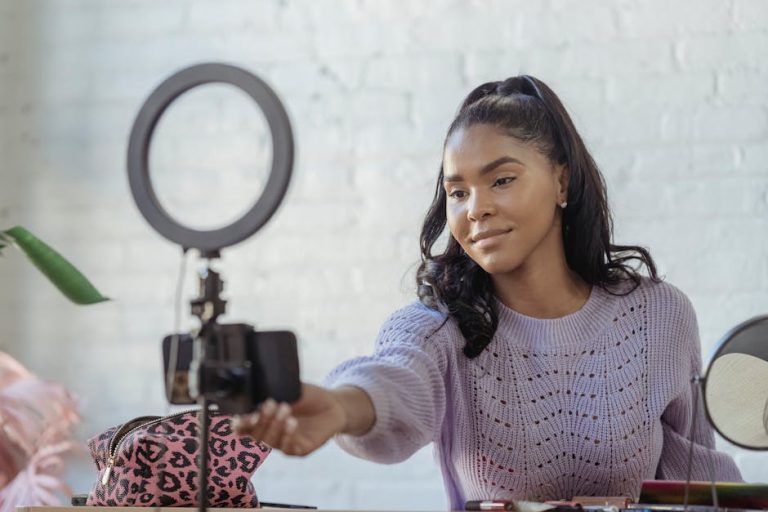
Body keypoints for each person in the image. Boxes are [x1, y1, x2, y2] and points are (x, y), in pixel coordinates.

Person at [233, 75, 742, 507]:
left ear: (561, 182)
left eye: (501, 180)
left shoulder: (657, 315)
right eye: (458, 192)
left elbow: (699, 486)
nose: (475, 208)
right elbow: (395, 380)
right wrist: (343, 406)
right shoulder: (440, 326)